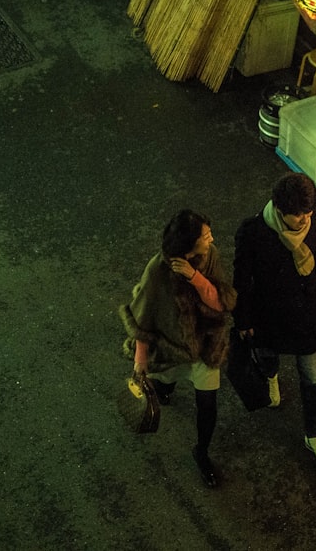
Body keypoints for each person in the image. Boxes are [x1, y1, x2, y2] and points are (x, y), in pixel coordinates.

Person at [120, 209, 236, 488]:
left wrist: (194, 277)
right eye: (205, 237)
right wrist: (140, 363)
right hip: (171, 349)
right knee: (164, 385)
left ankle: (202, 452)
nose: (211, 240)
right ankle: (165, 389)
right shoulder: (157, 270)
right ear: (188, 244)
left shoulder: (210, 258)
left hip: (205, 347)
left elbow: (221, 303)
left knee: (207, 403)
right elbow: (143, 320)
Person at [233, 172, 316, 463]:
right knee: (267, 354)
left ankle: (314, 434)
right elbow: (242, 279)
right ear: (279, 210)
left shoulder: (314, 220)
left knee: (312, 376)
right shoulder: (253, 232)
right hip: (268, 313)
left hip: (305, 314)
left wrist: (314, 285)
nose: (305, 220)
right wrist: (243, 319)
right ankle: (270, 377)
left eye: (308, 213)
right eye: (298, 215)